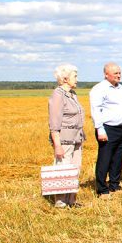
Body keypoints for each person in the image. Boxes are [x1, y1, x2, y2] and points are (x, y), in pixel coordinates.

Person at [89, 62, 122, 197]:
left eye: (119, 73)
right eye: (115, 73)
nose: (118, 76)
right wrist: (100, 129)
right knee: (105, 158)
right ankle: (102, 188)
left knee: (118, 158)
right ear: (106, 74)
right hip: (107, 128)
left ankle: (114, 183)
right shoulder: (99, 89)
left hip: (120, 128)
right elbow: (96, 110)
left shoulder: (121, 89)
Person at [48, 63, 85, 208]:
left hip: (76, 139)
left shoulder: (72, 94)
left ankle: (71, 201)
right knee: (63, 169)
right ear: (65, 78)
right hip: (64, 141)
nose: (77, 79)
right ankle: (60, 203)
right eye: (74, 76)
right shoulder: (58, 95)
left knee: (75, 169)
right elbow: (54, 123)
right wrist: (57, 146)